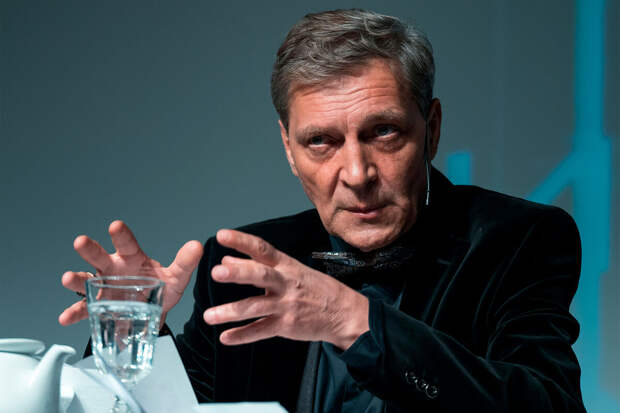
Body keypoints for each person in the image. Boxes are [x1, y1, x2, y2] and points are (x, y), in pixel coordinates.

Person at [59, 9, 587, 413]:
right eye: (321, 142)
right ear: (289, 150)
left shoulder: (520, 238)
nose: (357, 173)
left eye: (384, 132)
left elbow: (549, 405)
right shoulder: (242, 264)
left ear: (432, 129)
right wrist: (130, 330)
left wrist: (353, 322)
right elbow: (183, 407)